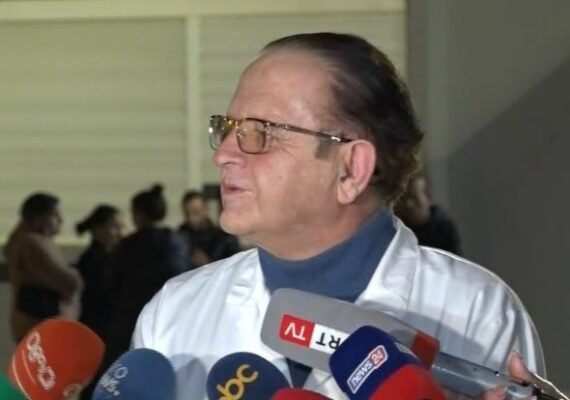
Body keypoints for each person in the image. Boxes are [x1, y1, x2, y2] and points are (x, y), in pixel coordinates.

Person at [133, 33, 545, 399]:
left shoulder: (476, 314)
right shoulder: (175, 313)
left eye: (259, 132)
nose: (223, 154)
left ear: (351, 169)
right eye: (227, 128)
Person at [105, 184, 187, 368]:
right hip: (169, 320)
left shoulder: (128, 246)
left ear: (138, 214)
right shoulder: (178, 242)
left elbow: (113, 285)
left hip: (131, 321)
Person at [3, 192, 82, 342]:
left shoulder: (30, 241)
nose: (60, 220)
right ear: (39, 218)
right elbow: (70, 283)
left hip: (39, 324)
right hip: (39, 326)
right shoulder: (32, 242)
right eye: (55, 215)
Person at [74, 205, 124, 340]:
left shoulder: (116, 258)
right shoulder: (92, 261)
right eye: (115, 227)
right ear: (98, 229)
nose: (120, 233)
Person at [395, 170, 463, 255]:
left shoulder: (443, 230)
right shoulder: (397, 229)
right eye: (404, 199)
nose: (409, 204)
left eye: (414, 198)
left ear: (428, 196)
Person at [178, 190, 241, 268]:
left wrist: (208, 264)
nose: (191, 218)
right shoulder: (180, 237)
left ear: (206, 209)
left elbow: (235, 268)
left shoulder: (224, 239)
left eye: (195, 212)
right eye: (187, 214)